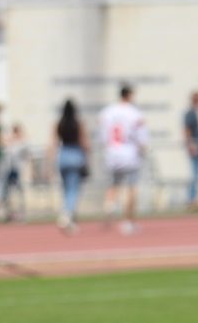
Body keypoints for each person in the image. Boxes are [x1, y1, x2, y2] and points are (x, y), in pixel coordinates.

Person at [98, 84, 148, 235]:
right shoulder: (134, 113)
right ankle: (128, 221)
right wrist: (143, 148)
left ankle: (109, 206)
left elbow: (102, 133)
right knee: (131, 187)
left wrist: (108, 147)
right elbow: (141, 135)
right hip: (129, 153)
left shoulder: (108, 112)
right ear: (129, 95)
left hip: (112, 152)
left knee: (114, 184)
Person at [50, 99, 89, 234]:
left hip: (63, 156)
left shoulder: (58, 124)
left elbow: (53, 143)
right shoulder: (78, 124)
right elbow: (84, 143)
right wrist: (87, 158)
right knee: (73, 189)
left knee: (66, 189)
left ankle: (67, 214)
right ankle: (67, 215)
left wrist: (50, 162)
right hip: (75, 155)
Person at [183, 90, 198, 212]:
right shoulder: (191, 113)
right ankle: (192, 199)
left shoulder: (195, 112)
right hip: (195, 147)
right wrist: (191, 144)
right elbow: (187, 129)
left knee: (197, 174)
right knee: (195, 174)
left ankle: (194, 199)